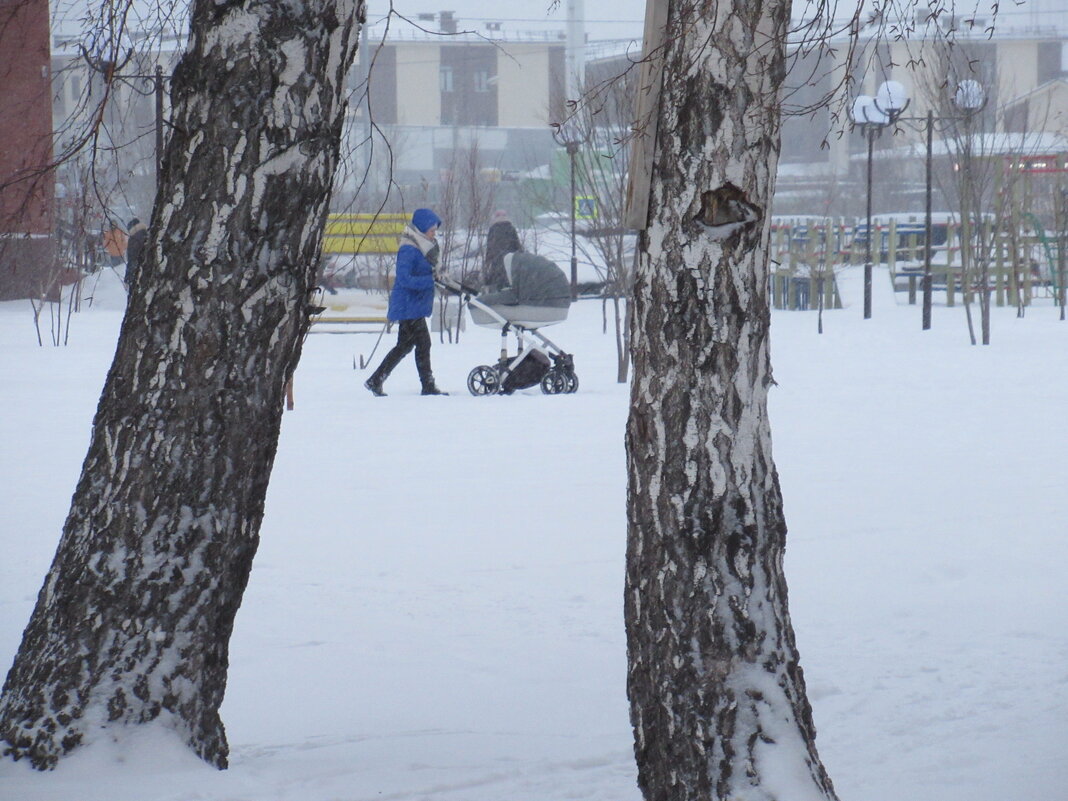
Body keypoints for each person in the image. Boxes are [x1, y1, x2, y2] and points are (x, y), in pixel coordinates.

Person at [364, 208, 448, 397]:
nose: (434, 233)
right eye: (432, 229)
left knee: (404, 346)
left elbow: (425, 271)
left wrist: (437, 276)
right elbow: (404, 279)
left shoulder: (424, 246)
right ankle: (427, 385)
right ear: (422, 227)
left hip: (414, 305)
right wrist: (431, 281)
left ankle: (376, 380)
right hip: (408, 306)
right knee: (423, 344)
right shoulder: (409, 249)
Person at [482, 213, 522, 291]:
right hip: (510, 260)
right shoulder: (511, 228)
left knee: (498, 284)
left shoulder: (493, 229)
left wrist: (487, 262)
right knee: (509, 281)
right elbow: (517, 245)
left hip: (497, 262)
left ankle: (499, 296)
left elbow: (489, 247)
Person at [125, 218, 148, 282]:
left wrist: (127, 277)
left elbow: (131, 259)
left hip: (138, 271)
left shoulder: (133, 239)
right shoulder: (147, 233)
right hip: (148, 269)